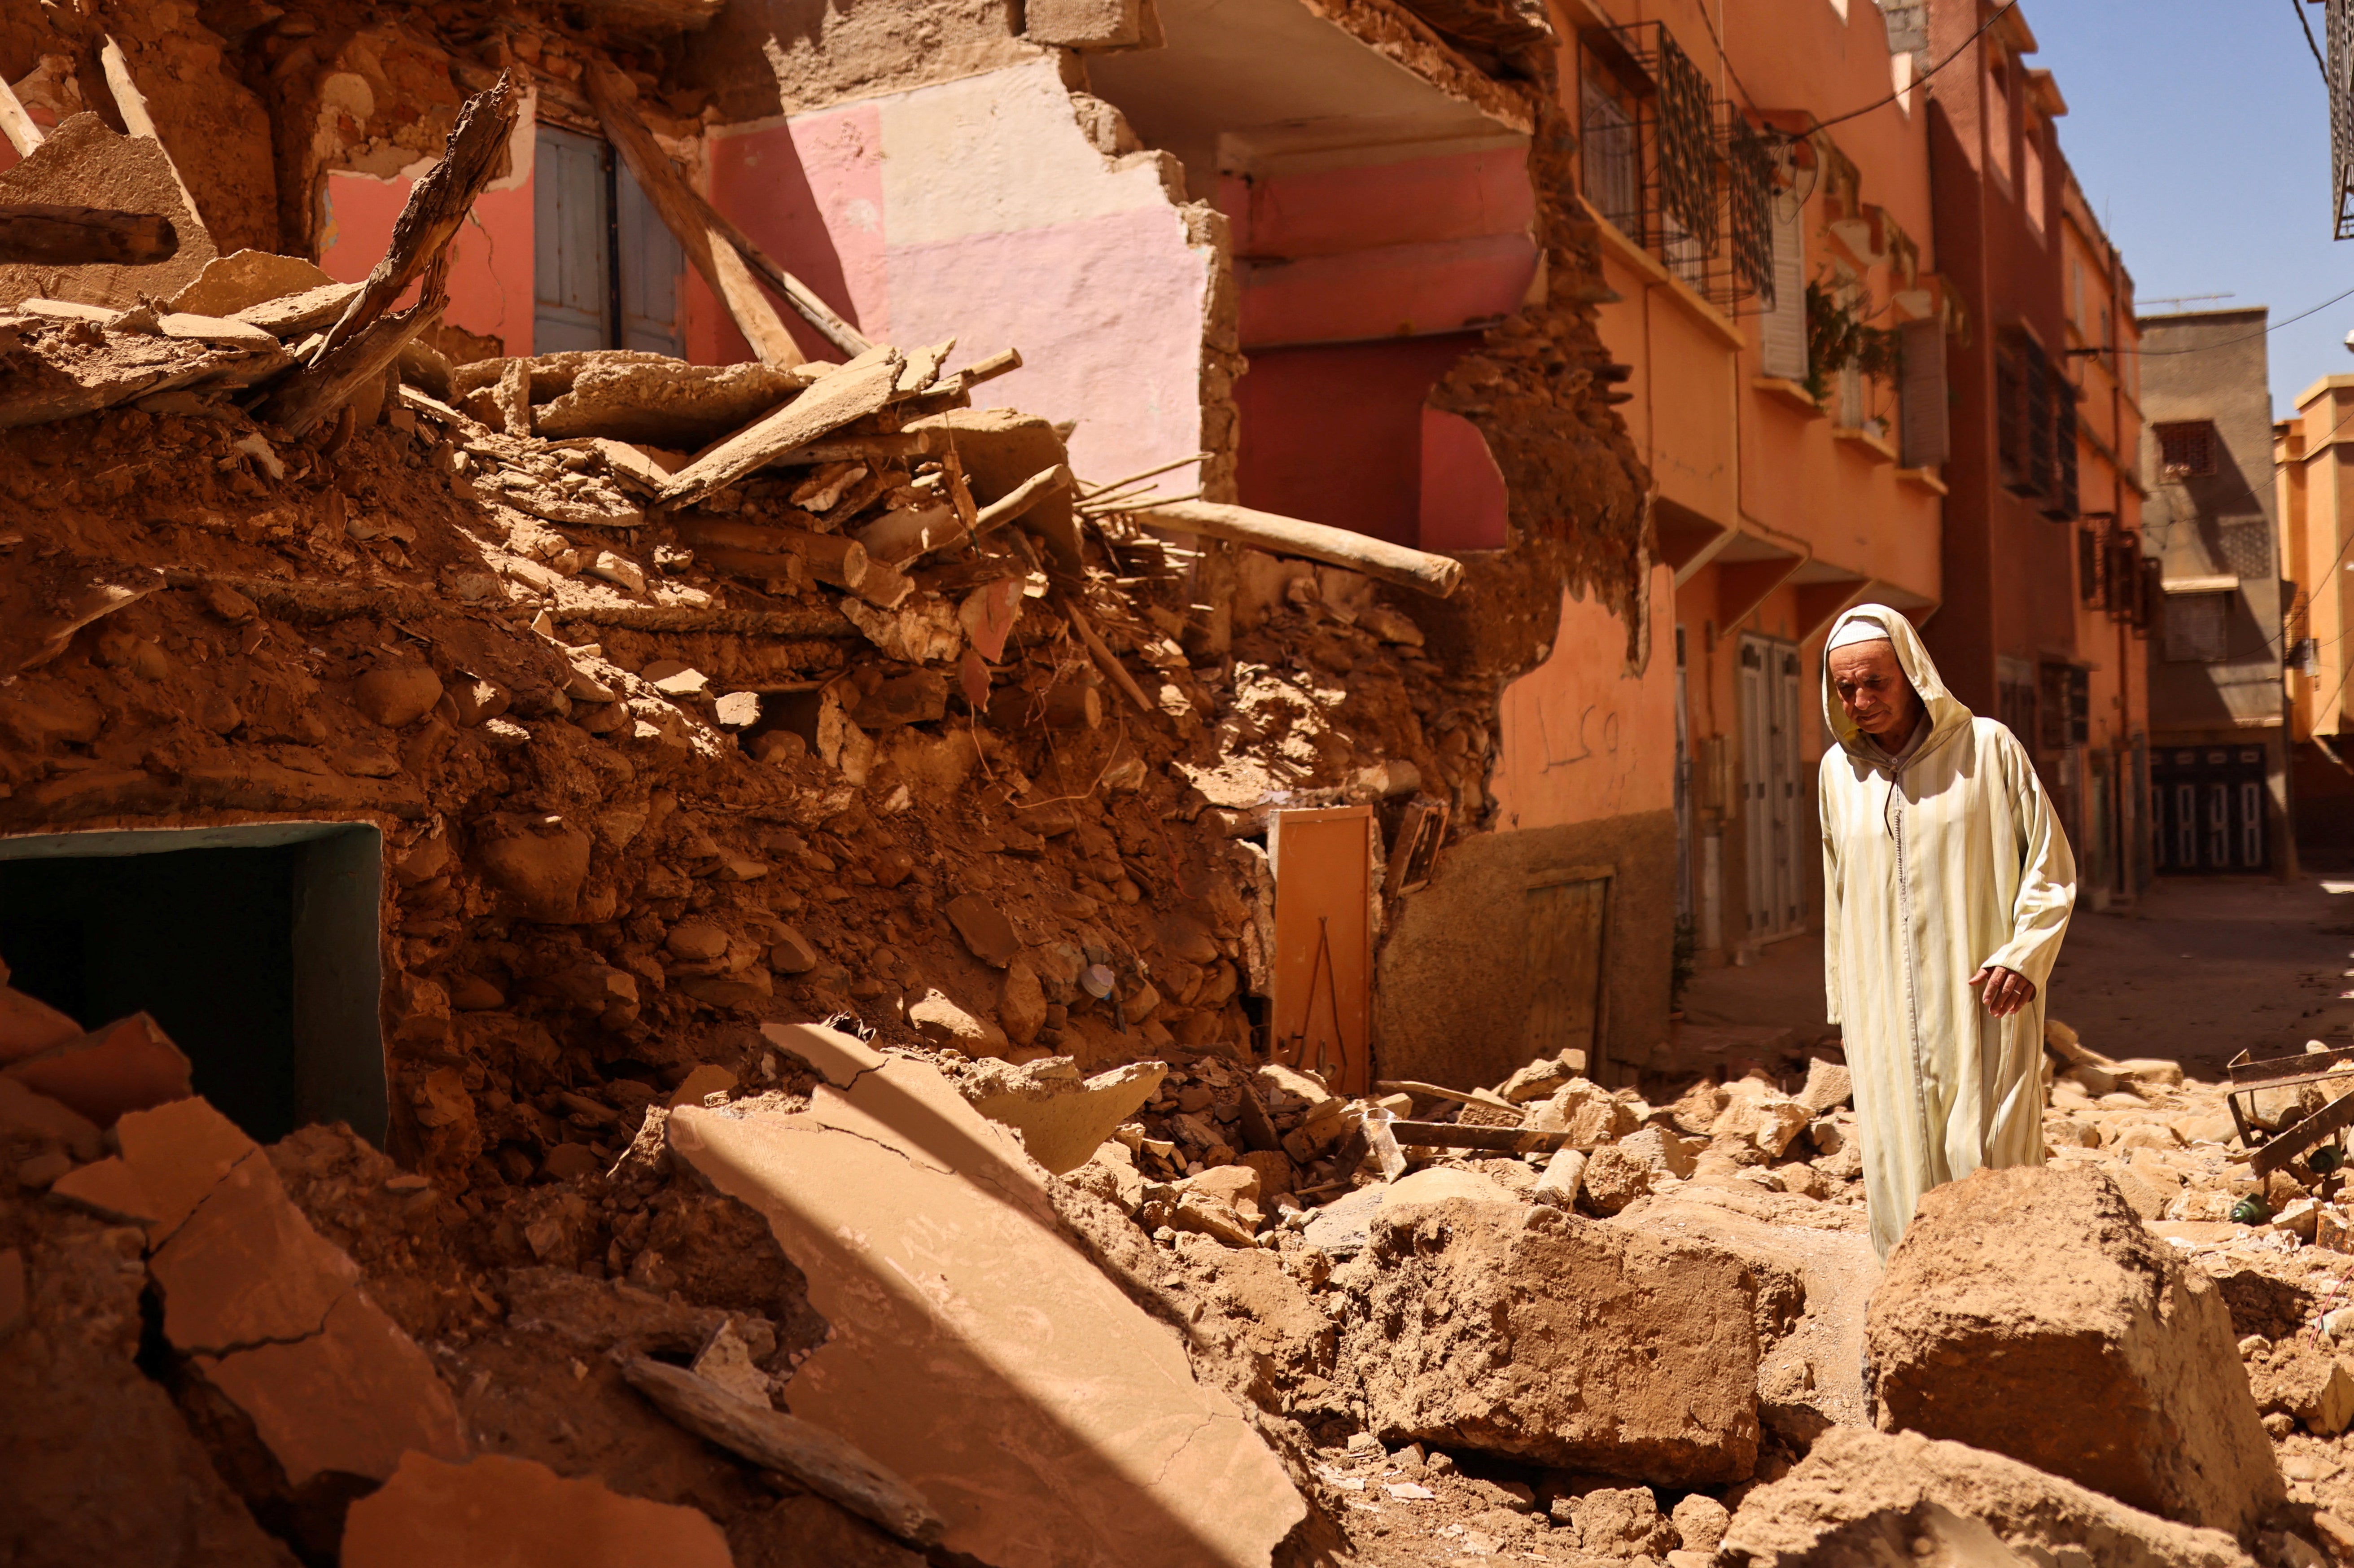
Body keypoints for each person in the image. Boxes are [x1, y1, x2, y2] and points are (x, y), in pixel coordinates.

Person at [1819, 606, 2076, 1259]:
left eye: (1875, 682)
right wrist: (1844, 1004)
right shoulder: (1836, 774)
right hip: (1880, 1007)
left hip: (1981, 997)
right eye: (1845, 687)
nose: (1860, 700)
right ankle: (1913, 1314)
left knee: (1988, 1153)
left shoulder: (1987, 749)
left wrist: (2025, 955)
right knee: (1896, 1160)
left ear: (1913, 674)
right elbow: (1837, 892)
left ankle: (2012, 1301)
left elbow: (2048, 863)